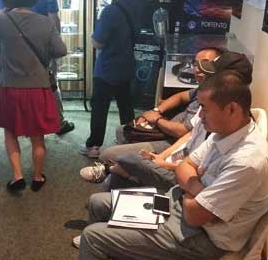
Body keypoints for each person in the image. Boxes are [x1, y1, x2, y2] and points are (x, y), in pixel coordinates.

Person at [52, 71, 268, 260]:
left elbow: (195, 213)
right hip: (180, 207)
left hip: (200, 239)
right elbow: (185, 165)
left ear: (232, 109)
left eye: (205, 108)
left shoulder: (247, 161)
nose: (200, 116)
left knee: (93, 237)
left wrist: (189, 186)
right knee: (100, 203)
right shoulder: (227, 132)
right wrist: (196, 188)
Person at [81, 47, 223, 182]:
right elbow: (181, 100)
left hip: (171, 140)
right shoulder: (202, 89)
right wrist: (157, 111)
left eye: (205, 64)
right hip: (172, 138)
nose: (197, 69)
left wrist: (157, 120)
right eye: (196, 64)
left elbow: (183, 135)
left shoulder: (216, 101)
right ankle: (122, 171)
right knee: (123, 130)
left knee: (108, 154)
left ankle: (116, 170)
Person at [0, 0, 67, 192]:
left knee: (10, 132)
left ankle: (17, 176)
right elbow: (61, 50)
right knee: (37, 136)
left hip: (9, 87)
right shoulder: (45, 22)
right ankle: (37, 177)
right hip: (38, 87)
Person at [0, 0, 75, 137]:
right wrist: (54, 40)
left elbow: (1, 15)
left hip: (14, 47)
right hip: (42, 44)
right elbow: (53, 17)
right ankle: (57, 122)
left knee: (16, 86)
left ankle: (21, 124)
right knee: (50, 82)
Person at [80, 0, 144, 159]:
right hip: (127, 65)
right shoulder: (138, 5)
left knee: (100, 108)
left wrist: (93, 36)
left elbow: (97, 42)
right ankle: (129, 142)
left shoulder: (110, 10)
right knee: (126, 106)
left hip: (107, 69)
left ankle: (94, 146)